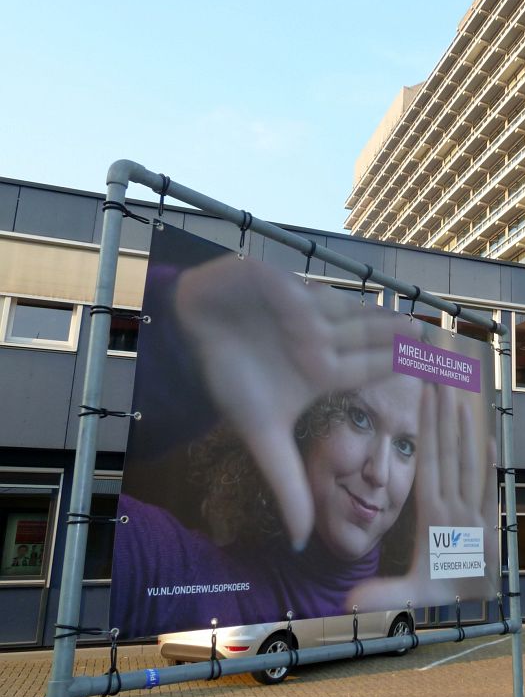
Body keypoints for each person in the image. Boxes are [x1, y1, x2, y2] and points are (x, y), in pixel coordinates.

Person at [111, 236, 496, 638]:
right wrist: (176, 341)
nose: (379, 473)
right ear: (304, 421)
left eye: (405, 446)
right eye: (359, 418)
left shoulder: (405, 604)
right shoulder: (176, 574)